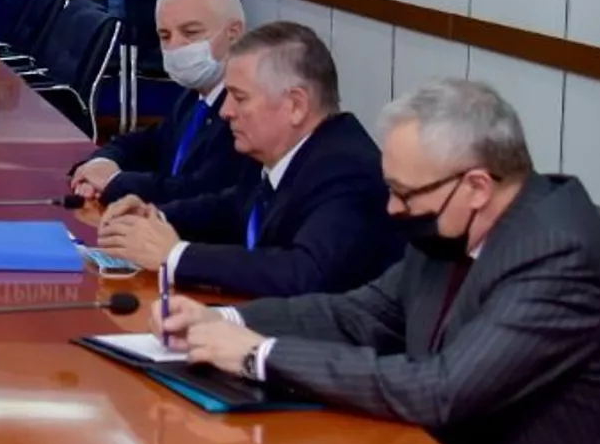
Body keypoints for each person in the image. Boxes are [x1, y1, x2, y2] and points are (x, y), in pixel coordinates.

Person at [159, 78, 600, 444]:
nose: (392, 208)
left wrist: (258, 356)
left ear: (476, 186)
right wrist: (226, 321)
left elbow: (441, 390)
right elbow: (362, 313)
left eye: (404, 193)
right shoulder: (454, 228)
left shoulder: (558, 256)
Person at [98, 21, 401, 297]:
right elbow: (232, 207)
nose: (225, 111)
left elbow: (304, 272)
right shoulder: (281, 153)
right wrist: (155, 217)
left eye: (240, 98)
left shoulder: (347, 171)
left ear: (296, 105)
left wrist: (176, 255)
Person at [68, 0, 259, 205]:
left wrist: (113, 182)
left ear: (234, 33)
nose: (175, 46)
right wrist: (101, 163)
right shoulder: (194, 95)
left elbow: (198, 190)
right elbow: (150, 142)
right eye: (165, 35)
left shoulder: (246, 109)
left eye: (190, 32)